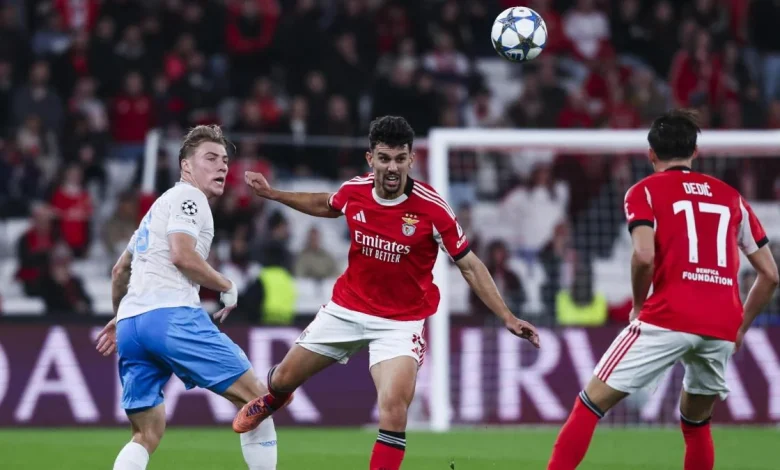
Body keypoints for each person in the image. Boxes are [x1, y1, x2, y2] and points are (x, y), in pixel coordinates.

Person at [237, 116, 540, 470]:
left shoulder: (432, 208)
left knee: (394, 409)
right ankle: (273, 400)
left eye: (399, 158)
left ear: (412, 159)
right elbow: (329, 204)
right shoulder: (356, 190)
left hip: (400, 323)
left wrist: (507, 316)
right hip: (346, 309)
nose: (392, 167)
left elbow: (470, 265)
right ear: (371, 159)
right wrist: (273, 193)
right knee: (283, 379)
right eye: (384, 158)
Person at [546, 109, 780, 470]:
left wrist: (639, 306)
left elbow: (643, 256)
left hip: (669, 314)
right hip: (721, 324)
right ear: (695, 152)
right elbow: (771, 275)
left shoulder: (643, 191)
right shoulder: (732, 198)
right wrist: (741, 327)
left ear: (651, 153)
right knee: (696, 424)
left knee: (589, 404)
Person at [94, 125, 279, 470]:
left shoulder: (156, 209)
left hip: (132, 326)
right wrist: (226, 284)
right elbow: (181, 254)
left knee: (145, 433)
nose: (221, 166)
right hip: (171, 316)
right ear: (186, 165)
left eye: (224, 160)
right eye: (210, 158)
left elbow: (120, 271)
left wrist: (121, 317)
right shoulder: (189, 197)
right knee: (258, 402)